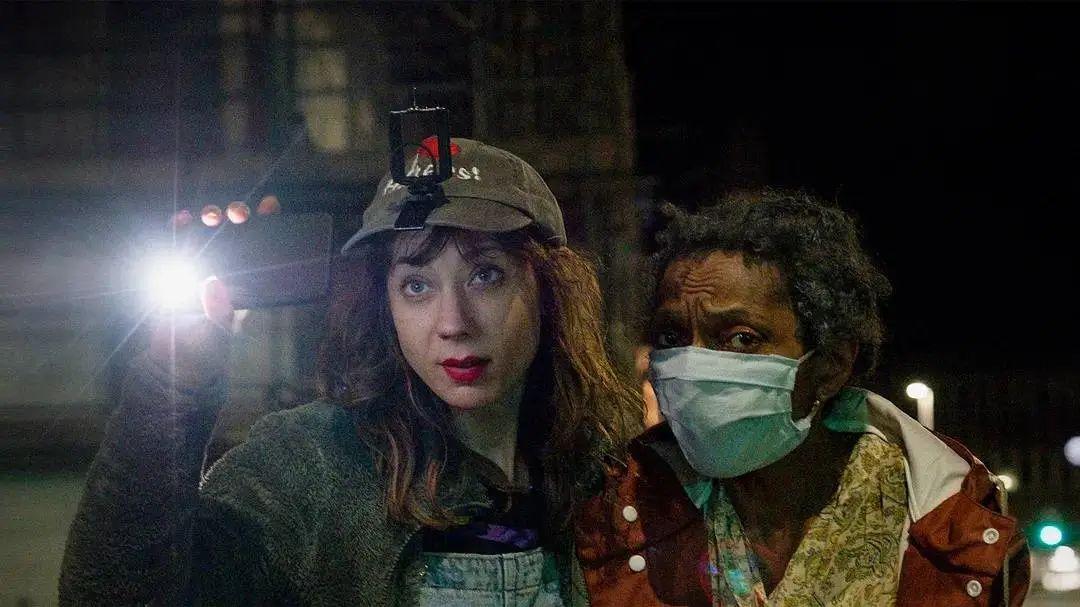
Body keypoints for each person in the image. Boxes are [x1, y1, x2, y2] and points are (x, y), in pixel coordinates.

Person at [59, 138, 643, 605]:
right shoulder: (310, 468)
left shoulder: (605, 475)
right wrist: (173, 387)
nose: (453, 323)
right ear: (384, 305)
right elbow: (112, 596)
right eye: (416, 285)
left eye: (485, 275)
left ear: (547, 290)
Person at [573, 189, 1030, 606]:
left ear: (831, 365)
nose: (692, 364)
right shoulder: (612, 514)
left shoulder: (953, 527)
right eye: (670, 337)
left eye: (740, 339)